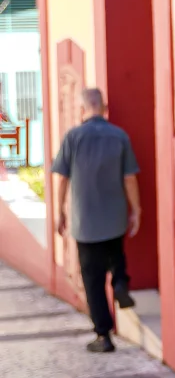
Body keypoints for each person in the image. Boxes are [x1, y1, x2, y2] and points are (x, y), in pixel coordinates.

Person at [52, 88, 141, 353]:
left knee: (92, 279)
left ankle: (104, 335)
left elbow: (63, 178)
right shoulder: (120, 136)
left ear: (82, 109)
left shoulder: (73, 137)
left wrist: (60, 211)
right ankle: (121, 282)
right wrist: (136, 210)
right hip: (115, 218)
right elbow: (130, 178)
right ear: (105, 108)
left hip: (85, 222)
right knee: (116, 254)